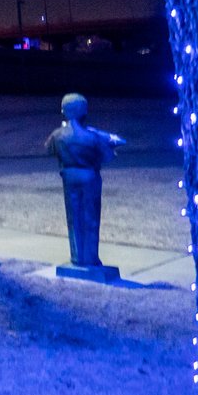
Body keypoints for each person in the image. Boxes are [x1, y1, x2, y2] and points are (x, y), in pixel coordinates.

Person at [45, 92, 126, 270]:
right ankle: (90, 258)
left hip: (68, 176)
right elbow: (112, 150)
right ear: (84, 112)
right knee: (90, 217)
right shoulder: (92, 137)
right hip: (89, 176)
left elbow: (49, 148)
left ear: (64, 111)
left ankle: (77, 257)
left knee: (73, 217)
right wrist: (99, 134)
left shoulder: (58, 135)